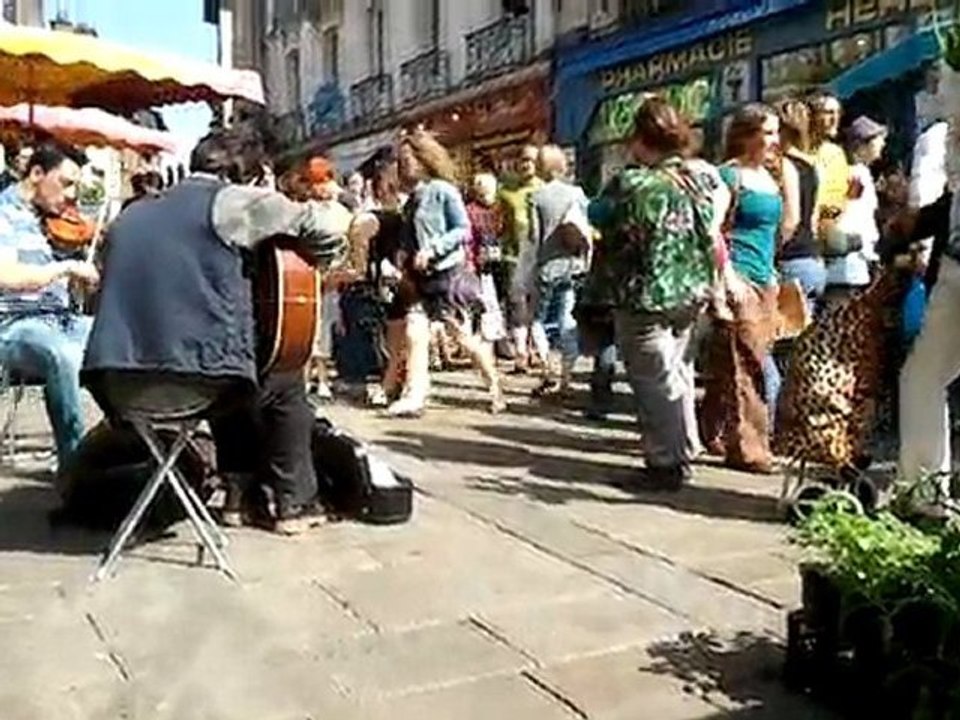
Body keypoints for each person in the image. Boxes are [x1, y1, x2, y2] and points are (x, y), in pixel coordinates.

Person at [81, 123, 349, 535]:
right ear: (247, 174)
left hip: (115, 388)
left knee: (228, 366)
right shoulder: (233, 200)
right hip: (193, 387)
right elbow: (326, 227)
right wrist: (320, 253)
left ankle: (238, 494)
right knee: (279, 380)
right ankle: (294, 504)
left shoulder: (131, 213)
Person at [588, 98, 721, 490]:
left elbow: (597, 214)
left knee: (653, 382)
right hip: (691, 290)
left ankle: (666, 463)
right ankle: (685, 447)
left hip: (644, 294)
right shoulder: (697, 180)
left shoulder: (633, 183)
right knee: (678, 372)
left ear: (639, 139)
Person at [369, 129, 503, 416]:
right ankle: (414, 395)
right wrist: (403, 254)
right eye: (401, 160)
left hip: (446, 276)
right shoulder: (413, 198)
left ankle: (494, 385)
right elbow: (410, 236)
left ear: (423, 158)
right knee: (415, 332)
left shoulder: (443, 191)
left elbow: (462, 229)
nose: (404, 165)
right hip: (420, 278)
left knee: (464, 339)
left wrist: (433, 249)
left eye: (408, 158)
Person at [0, 142, 100, 468]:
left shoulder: (48, 221)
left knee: (119, 337)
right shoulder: (3, 214)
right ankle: (74, 465)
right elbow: (7, 275)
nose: (72, 195)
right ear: (36, 174)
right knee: (62, 355)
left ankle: (123, 439)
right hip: (14, 325)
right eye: (66, 183)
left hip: (63, 319)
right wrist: (64, 268)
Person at [700, 104, 786, 474]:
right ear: (746, 135)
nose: (775, 140)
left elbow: (773, 232)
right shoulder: (727, 177)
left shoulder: (770, 178)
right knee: (751, 366)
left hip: (765, 279)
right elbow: (712, 232)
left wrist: (774, 273)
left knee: (733, 359)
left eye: (776, 132)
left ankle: (710, 428)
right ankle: (750, 450)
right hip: (739, 277)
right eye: (767, 132)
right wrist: (728, 278)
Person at [528, 145, 590, 400]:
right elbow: (586, 228)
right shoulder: (577, 194)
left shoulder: (536, 197)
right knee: (567, 319)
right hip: (573, 265)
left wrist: (528, 271)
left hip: (546, 266)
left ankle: (548, 369)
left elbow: (533, 237)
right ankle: (567, 376)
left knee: (538, 321)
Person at [823, 116, 886, 306]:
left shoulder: (859, 173)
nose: (883, 144)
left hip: (854, 258)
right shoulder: (855, 174)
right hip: (847, 261)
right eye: (878, 139)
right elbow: (847, 210)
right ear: (863, 145)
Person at [497, 144, 542, 372]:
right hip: (513, 256)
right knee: (516, 304)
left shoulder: (545, 189)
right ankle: (521, 353)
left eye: (531, 160)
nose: (526, 164)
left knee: (536, 304)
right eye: (523, 160)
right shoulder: (506, 192)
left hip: (539, 256)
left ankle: (535, 349)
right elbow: (500, 223)